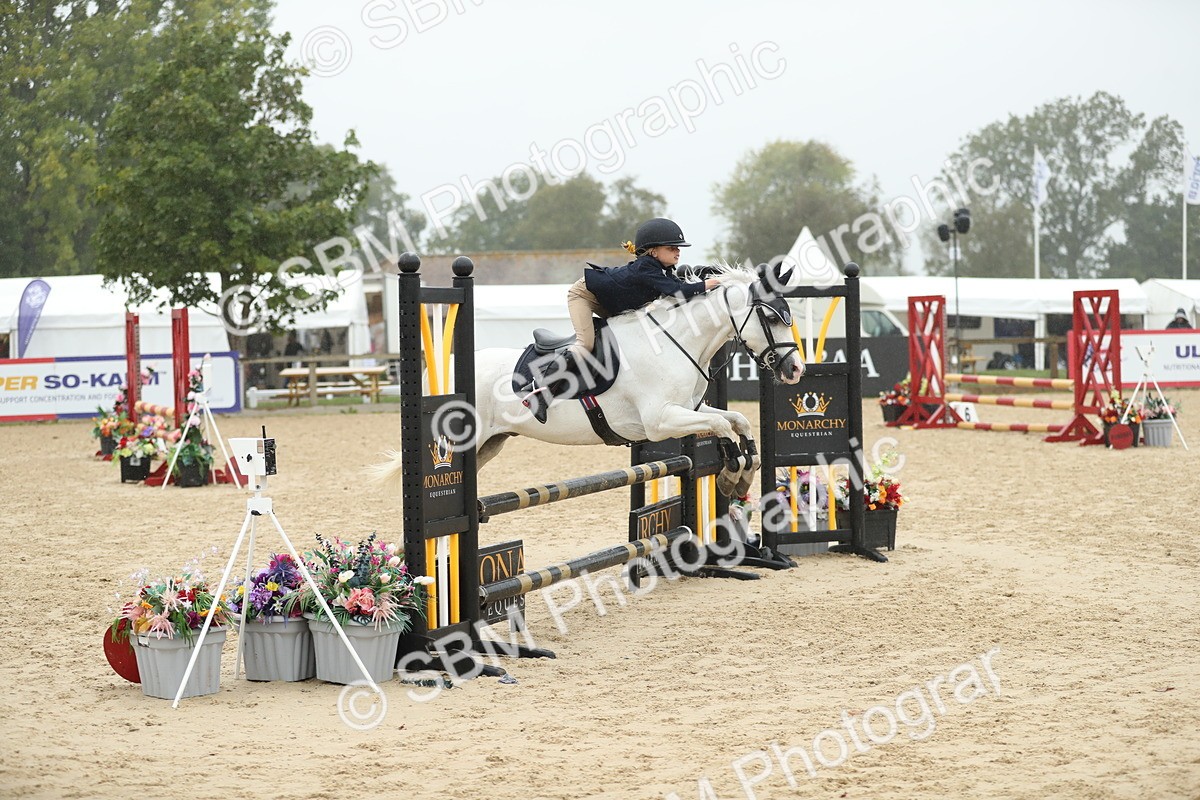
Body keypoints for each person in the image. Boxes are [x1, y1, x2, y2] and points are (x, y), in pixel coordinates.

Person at [521, 218, 720, 423]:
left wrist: (704, 277)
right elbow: (679, 292)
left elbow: (681, 288)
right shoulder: (646, 268)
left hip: (609, 302)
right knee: (585, 344)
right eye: (671, 248)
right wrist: (714, 282)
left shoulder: (661, 269)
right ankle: (538, 390)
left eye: (678, 248)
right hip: (584, 296)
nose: (677, 251)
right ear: (653, 251)